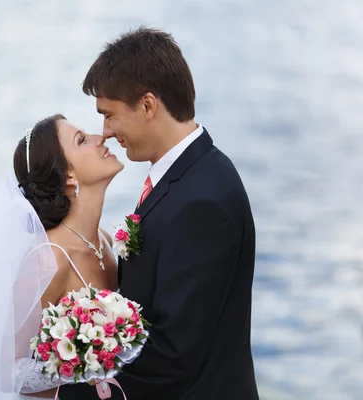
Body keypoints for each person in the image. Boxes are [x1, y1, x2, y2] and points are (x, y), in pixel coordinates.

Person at [57, 27, 259, 400]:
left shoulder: (202, 201)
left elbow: (174, 354)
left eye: (110, 115)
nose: (106, 132)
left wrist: (63, 393)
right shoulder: (191, 176)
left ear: (148, 105)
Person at [0, 114, 125, 399]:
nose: (101, 138)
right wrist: (79, 366)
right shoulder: (48, 258)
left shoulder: (106, 240)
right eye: (82, 140)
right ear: (68, 175)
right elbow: (4, 371)